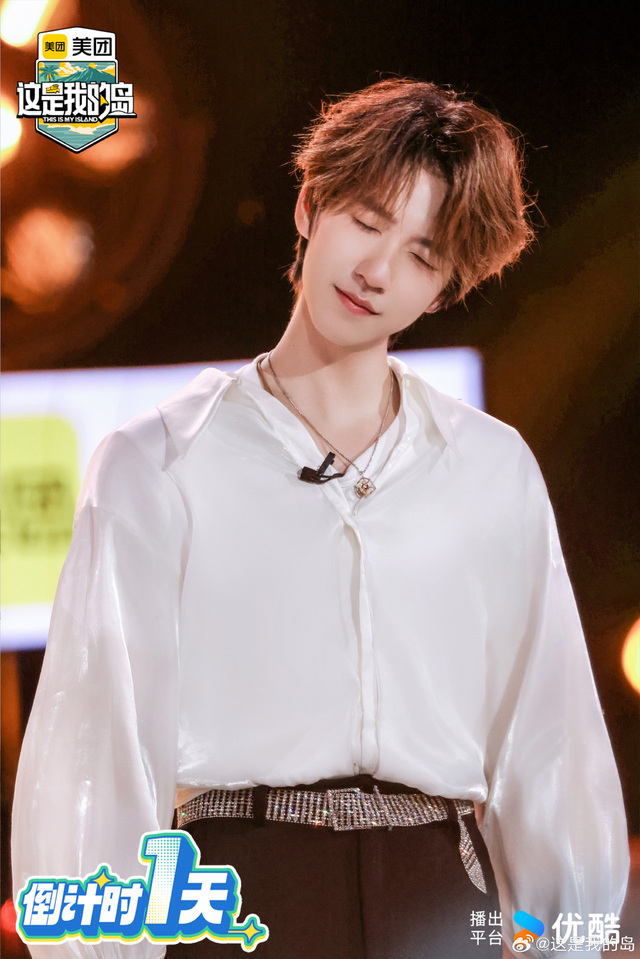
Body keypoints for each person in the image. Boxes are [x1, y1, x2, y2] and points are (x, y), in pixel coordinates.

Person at [12, 79, 629, 959]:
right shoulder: (158, 462)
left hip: (440, 894)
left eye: (422, 255)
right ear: (310, 204)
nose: (377, 271)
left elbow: (547, 736)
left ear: (446, 287)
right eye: (367, 222)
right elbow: (97, 744)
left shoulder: (491, 470)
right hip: (235, 895)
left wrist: (565, 938)